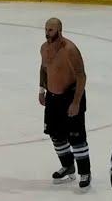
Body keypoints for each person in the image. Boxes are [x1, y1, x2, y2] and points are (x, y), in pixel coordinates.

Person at [38, 17, 91, 189]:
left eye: (51, 30)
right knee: (56, 135)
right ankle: (68, 166)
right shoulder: (44, 48)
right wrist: (41, 90)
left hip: (70, 97)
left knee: (76, 138)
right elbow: (43, 68)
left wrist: (76, 102)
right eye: (46, 29)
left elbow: (81, 76)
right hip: (53, 99)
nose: (47, 33)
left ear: (59, 31)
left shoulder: (70, 50)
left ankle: (85, 172)